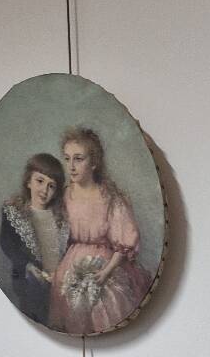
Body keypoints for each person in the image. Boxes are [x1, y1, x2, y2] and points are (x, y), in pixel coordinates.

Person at [48, 127, 152, 335]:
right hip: (70, 266)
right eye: (67, 159)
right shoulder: (64, 196)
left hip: (106, 267)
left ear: (94, 162)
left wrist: (106, 272)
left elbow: (125, 240)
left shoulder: (110, 197)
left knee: (105, 310)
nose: (71, 166)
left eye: (79, 159)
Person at [0, 153, 68, 324]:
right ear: (28, 181)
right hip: (30, 278)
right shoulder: (15, 213)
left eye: (51, 186)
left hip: (58, 281)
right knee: (35, 312)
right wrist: (27, 265)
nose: (44, 190)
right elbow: (7, 244)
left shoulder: (61, 219)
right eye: (40, 181)